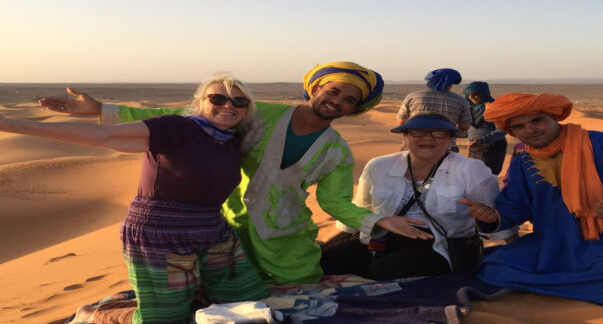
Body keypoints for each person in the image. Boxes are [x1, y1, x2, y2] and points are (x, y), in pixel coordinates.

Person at [40, 62, 431, 286]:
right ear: (317, 87)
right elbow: (187, 119)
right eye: (334, 91)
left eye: (349, 100)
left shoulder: (337, 152)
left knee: (297, 290)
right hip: (224, 226)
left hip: (287, 238)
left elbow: (332, 202)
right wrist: (101, 111)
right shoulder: (258, 112)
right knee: (217, 290)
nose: (338, 102)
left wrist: (378, 219)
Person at [1, 73, 269, 324]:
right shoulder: (174, 128)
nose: (228, 106)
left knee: (247, 297)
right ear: (200, 102)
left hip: (211, 229)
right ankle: (93, 314)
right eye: (218, 99)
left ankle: (184, 289)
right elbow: (103, 136)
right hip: (159, 232)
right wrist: (10, 125)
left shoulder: (233, 141)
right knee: (163, 321)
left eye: (239, 101)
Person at [464, 93, 603, 309]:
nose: (529, 130)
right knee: (493, 268)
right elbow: (515, 205)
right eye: (519, 126)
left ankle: (561, 284)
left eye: (536, 120)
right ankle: (583, 286)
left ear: (554, 117)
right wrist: (493, 217)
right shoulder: (522, 161)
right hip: (553, 242)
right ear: (511, 131)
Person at [321, 114, 510, 280]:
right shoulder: (378, 166)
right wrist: (331, 246)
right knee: (321, 263)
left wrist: (490, 218)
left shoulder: (470, 170)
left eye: (438, 133)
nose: (428, 138)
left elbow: (501, 220)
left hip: (438, 246)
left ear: (450, 140)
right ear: (404, 137)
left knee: (378, 275)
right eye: (417, 132)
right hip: (380, 238)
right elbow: (359, 211)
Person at [396, 68, 471, 152]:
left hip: (413, 145)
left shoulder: (412, 96)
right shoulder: (460, 101)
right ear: (450, 84)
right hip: (446, 147)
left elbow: (401, 123)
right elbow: (464, 127)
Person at [462, 81, 508, 175]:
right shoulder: (467, 108)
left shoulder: (494, 107)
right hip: (474, 147)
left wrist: (482, 141)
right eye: (468, 95)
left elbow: (503, 129)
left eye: (475, 94)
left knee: (486, 177)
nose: (471, 97)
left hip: (492, 147)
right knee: (471, 178)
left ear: (483, 92)